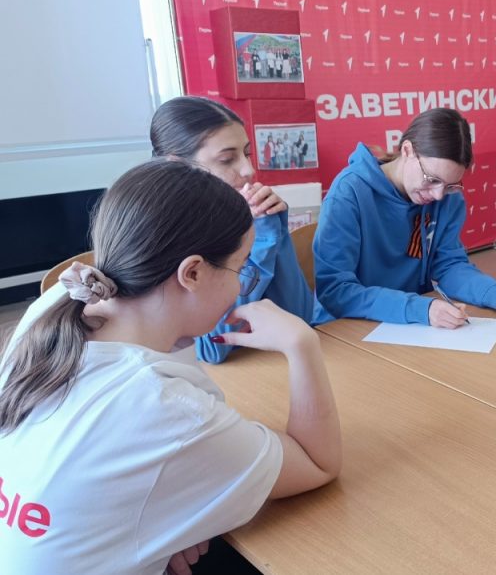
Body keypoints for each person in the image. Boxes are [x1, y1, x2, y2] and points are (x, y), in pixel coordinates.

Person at [0, 159, 341, 575]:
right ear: (192, 272)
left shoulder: (57, 305)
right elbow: (317, 464)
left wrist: (166, 516)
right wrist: (301, 344)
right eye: (241, 267)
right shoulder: (165, 406)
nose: (241, 284)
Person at [314, 108, 496, 328]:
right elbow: (335, 290)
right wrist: (421, 309)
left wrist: (495, 294)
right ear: (407, 150)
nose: (438, 195)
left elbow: (449, 266)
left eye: (449, 185)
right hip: (345, 326)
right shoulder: (349, 193)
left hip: (408, 324)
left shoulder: (448, 198)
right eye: (432, 179)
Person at [151, 96, 314, 364]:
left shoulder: (243, 216)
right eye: (227, 159)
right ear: (178, 166)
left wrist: (273, 229)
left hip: (264, 366)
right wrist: (261, 241)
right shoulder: (165, 233)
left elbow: (299, 318)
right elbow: (212, 347)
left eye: (247, 153)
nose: (249, 170)